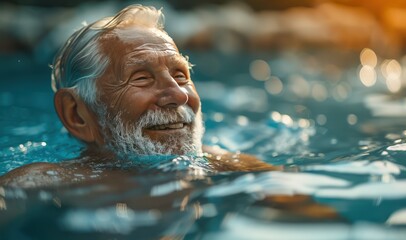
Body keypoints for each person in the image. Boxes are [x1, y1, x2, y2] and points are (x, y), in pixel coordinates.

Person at [0, 4, 275, 188]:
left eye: (181, 75)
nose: (178, 95)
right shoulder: (38, 185)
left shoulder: (231, 167)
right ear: (76, 114)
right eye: (142, 78)